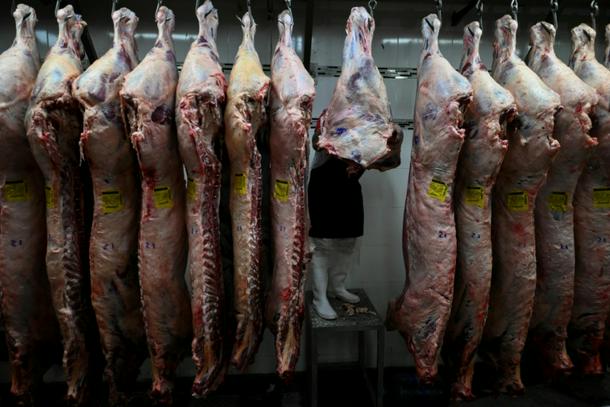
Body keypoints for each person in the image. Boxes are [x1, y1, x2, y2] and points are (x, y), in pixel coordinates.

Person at [308, 149, 364, 320]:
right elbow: (317, 142)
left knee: (348, 242)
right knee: (322, 245)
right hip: (324, 188)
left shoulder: (369, 131)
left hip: (350, 188)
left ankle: (337, 288)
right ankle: (319, 298)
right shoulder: (328, 129)